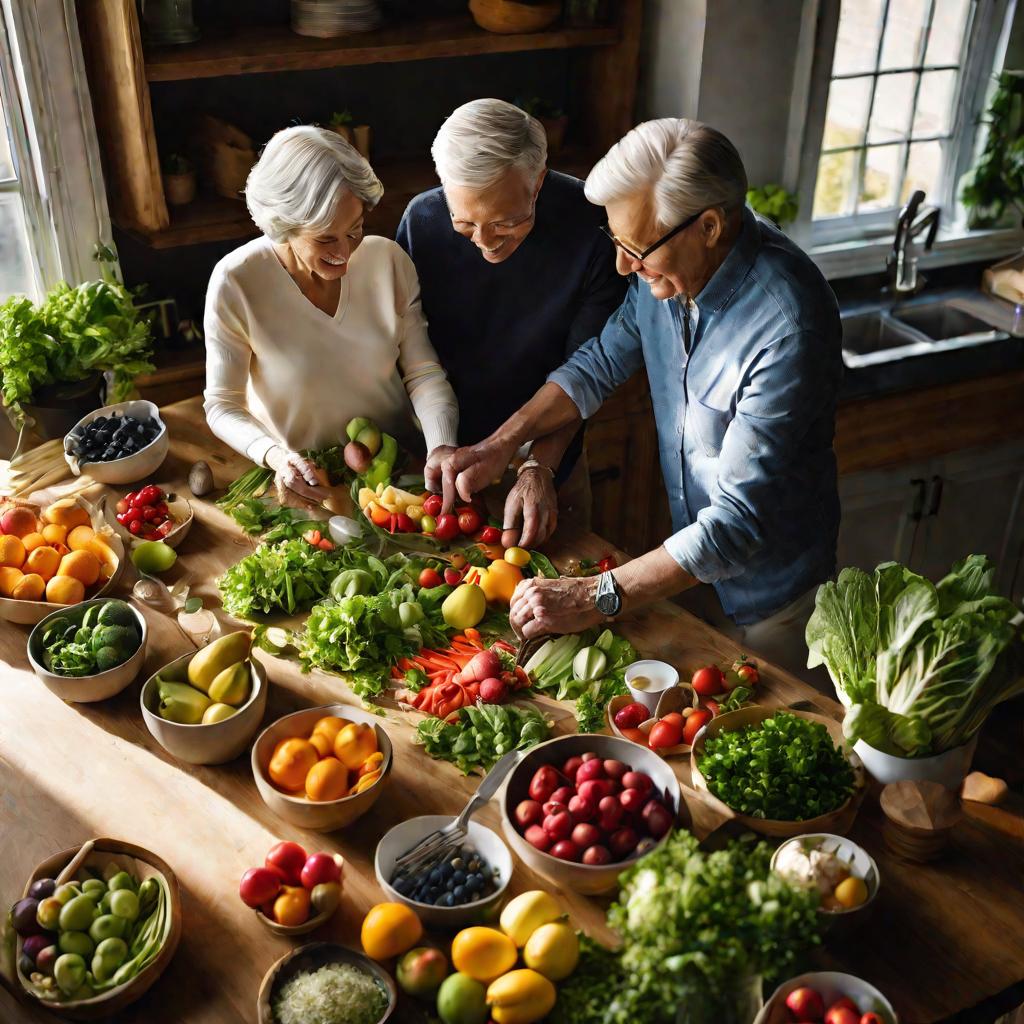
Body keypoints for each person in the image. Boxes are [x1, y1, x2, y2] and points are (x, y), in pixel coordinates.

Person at [436, 118, 842, 675]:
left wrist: (592, 595)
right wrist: (502, 445)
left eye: (637, 247)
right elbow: (599, 365)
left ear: (709, 227)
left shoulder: (788, 326)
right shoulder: (670, 271)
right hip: (687, 564)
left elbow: (736, 525)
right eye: (617, 242)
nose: (624, 265)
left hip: (773, 602)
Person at [396, 98, 626, 547]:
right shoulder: (421, 222)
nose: (485, 243)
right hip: (435, 452)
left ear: (537, 181)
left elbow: (586, 370)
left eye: (505, 222)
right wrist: (438, 442)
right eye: (465, 223)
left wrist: (538, 466)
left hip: (547, 452)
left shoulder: (593, 228)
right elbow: (408, 345)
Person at [204, 125, 459, 505]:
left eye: (355, 230)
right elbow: (223, 406)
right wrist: (275, 457)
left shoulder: (387, 262)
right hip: (307, 483)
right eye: (325, 238)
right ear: (282, 225)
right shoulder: (237, 282)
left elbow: (423, 373)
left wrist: (441, 446)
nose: (344, 252)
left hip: (400, 476)